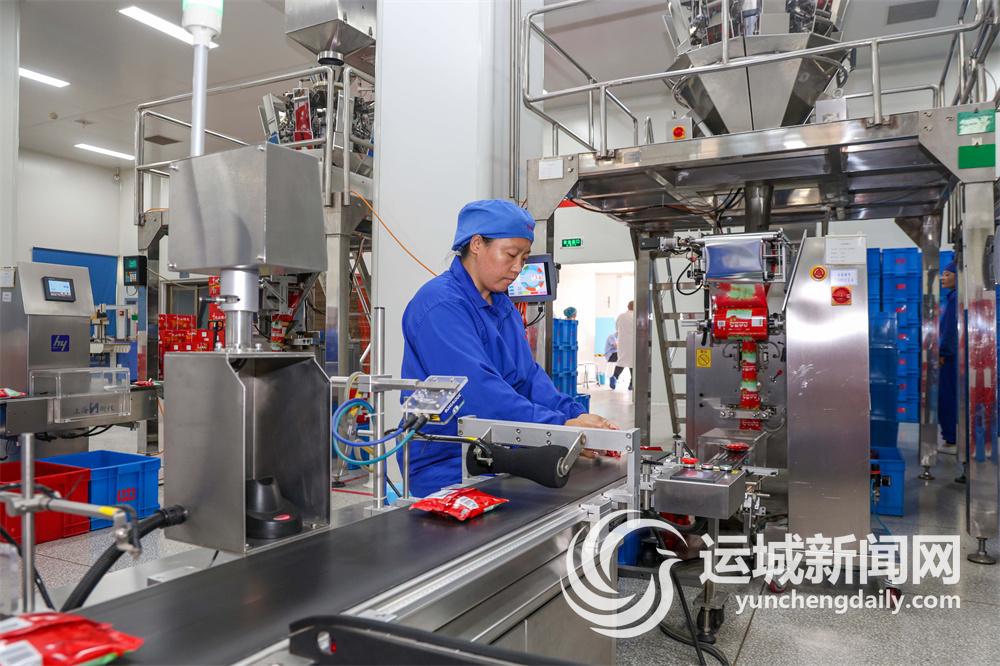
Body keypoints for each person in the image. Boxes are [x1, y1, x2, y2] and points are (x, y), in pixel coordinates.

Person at [400, 199, 616, 497]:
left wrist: (575, 416)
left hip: (496, 455)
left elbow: (527, 377)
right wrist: (562, 426)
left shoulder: (502, 306)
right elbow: (477, 393)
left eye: (524, 258)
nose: (517, 268)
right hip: (446, 463)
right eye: (511, 255)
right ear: (477, 244)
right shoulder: (440, 306)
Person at [938, 262, 958, 464]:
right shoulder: (951, 298)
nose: (942, 278)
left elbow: (950, 330)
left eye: (946, 274)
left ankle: (952, 439)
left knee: (948, 397)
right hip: (953, 355)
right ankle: (951, 437)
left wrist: (943, 352)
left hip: (951, 358)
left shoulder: (954, 300)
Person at [612, 301, 635, 391]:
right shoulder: (636, 316)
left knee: (621, 361)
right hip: (633, 343)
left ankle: (614, 377)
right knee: (633, 363)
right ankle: (632, 384)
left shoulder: (621, 316)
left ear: (628, 306)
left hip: (622, 343)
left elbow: (616, 328)